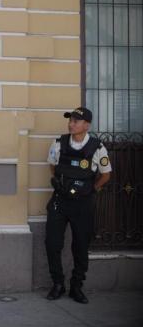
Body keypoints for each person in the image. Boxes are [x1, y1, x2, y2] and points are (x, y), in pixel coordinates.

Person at [45, 107, 111, 304]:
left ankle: (76, 286)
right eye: (70, 120)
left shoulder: (97, 147)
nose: (71, 123)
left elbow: (106, 174)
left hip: (82, 204)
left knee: (81, 246)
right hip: (60, 201)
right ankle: (58, 283)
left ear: (86, 125)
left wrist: (92, 190)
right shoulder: (58, 143)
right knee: (52, 244)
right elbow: (52, 166)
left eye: (76, 121)